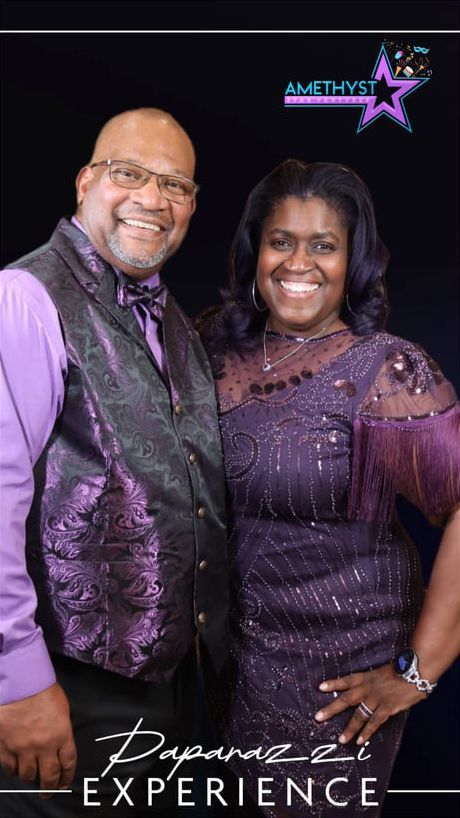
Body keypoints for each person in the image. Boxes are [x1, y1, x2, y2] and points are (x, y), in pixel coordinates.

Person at [199, 160, 460, 818]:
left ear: (354, 260)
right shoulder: (212, 347)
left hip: (336, 679)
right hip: (229, 664)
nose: (298, 263)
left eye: (323, 245)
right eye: (281, 241)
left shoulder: (387, 370)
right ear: (255, 251)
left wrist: (418, 674)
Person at [0, 108, 229, 817]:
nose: (152, 199)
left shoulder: (176, 324)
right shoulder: (24, 298)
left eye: (175, 184)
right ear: (84, 183)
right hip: (66, 686)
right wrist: (16, 680)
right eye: (128, 173)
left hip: (174, 686)